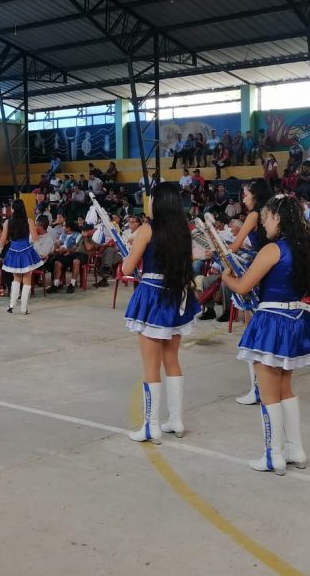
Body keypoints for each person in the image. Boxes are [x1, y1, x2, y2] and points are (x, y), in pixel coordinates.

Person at [221, 195, 310, 473]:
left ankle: (272, 454)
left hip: (271, 321)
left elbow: (243, 287)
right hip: (295, 319)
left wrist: (225, 276)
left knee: (268, 393)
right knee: (285, 388)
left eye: (266, 217)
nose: (263, 222)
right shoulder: (303, 248)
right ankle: (295, 449)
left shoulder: (273, 250)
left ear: (278, 218)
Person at [122, 182, 199, 442]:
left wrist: (129, 254)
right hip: (176, 295)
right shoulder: (183, 232)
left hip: (153, 297)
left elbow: (127, 268)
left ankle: (150, 425)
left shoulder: (147, 229)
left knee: (151, 366)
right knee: (172, 361)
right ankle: (175, 420)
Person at [225, 179, 273, 398]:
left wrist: (216, 247)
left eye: (245, 194)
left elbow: (234, 245)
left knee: (252, 328)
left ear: (255, 195)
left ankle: (257, 388)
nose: (243, 198)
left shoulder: (254, 215)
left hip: (256, 271)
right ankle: (262, 385)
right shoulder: (270, 214)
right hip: (268, 270)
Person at [0, 197, 43, 314]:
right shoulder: (29, 221)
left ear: (13, 209)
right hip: (27, 251)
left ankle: (11, 305)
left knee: (16, 278)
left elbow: (3, 239)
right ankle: (24, 308)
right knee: (27, 278)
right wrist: (40, 252)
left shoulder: (7, 222)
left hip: (13, 251)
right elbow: (35, 238)